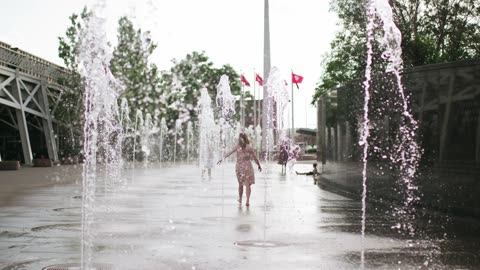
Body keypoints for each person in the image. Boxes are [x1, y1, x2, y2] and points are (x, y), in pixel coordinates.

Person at [217, 133, 262, 207]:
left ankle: (240, 199)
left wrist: (222, 159)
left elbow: (229, 153)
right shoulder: (249, 147)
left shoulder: (237, 147)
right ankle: (247, 200)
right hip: (247, 167)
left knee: (240, 184)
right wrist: (259, 165)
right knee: (248, 185)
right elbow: (255, 158)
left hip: (239, 167)